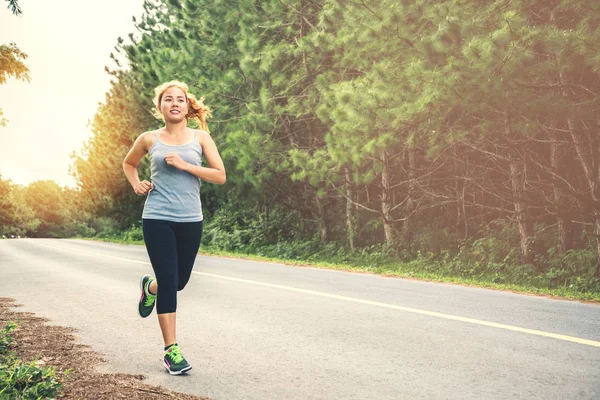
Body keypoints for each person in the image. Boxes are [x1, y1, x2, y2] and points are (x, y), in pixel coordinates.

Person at [122, 80, 226, 375]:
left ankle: (150, 287)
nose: (175, 103)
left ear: (187, 106)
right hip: (157, 217)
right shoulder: (148, 139)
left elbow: (220, 175)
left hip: (191, 219)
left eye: (180, 99)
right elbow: (129, 164)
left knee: (177, 282)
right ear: (161, 107)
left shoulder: (200, 138)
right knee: (171, 282)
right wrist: (136, 183)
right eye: (168, 99)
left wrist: (185, 166)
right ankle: (171, 350)